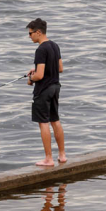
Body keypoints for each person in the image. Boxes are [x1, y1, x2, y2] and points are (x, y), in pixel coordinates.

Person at [27, 18, 66, 166]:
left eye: (30, 34)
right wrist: (36, 71)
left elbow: (40, 76)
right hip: (55, 87)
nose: (29, 37)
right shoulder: (55, 46)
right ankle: (62, 155)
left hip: (43, 90)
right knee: (55, 121)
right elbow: (60, 68)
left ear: (38, 32)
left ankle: (48, 159)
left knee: (43, 123)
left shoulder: (41, 49)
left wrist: (31, 77)